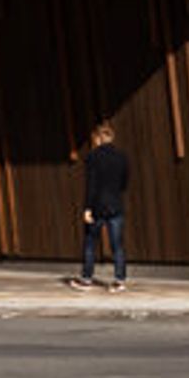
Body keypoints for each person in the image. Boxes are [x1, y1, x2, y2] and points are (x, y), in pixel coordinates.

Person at [72, 120, 131, 291]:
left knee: (90, 243)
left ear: (98, 138)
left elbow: (91, 184)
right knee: (117, 244)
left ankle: (87, 279)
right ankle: (119, 280)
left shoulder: (93, 157)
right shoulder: (122, 157)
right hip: (116, 205)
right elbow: (125, 182)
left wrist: (87, 208)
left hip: (97, 206)